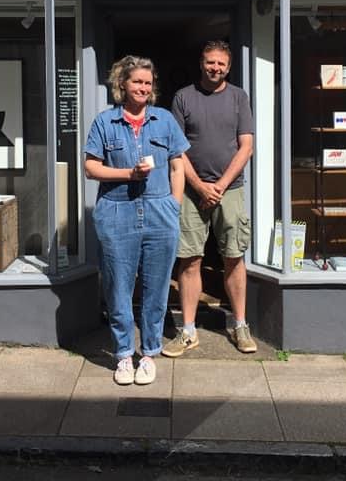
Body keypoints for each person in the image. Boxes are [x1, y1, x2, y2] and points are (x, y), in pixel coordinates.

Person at [84, 55, 188, 385]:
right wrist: (128, 174)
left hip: (160, 211)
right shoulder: (104, 122)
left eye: (147, 82)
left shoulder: (165, 120)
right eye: (136, 82)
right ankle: (124, 355)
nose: (143, 87)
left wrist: (174, 204)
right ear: (122, 85)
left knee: (156, 289)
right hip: (117, 212)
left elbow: (177, 165)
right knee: (118, 289)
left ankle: (150, 353)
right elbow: (91, 168)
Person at [164, 40, 256, 356]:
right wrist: (201, 186)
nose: (215, 68)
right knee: (189, 259)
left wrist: (218, 186)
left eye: (221, 64)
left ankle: (240, 325)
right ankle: (188, 331)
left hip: (230, 190)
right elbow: (175, 148)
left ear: (228, 67)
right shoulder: (183, 97)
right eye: (210, 62)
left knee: (234, 256)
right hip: (191, 191)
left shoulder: (238, 97)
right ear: (201, 63)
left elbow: (246, 147)